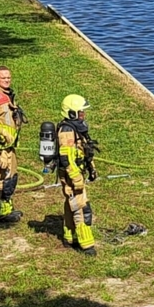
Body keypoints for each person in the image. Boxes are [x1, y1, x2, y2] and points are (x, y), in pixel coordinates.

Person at [0, 66, 26, 223]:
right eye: (3, 78)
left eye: (9, 77)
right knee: (0, 180)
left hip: (9, 146)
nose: (7, 80)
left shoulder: (8, 95)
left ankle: (7, 209)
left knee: (10, 178)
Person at [57, 94, 97, 256]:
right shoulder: (66, 131)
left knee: (71, 205)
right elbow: (66, 158)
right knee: (81, 208)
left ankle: (70, 236)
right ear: (72, 113)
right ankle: (86, 244)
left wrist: (91, 168)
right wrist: (76, 178)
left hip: (78, 171)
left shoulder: (77, 129)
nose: (83, 115)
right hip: (71, 175)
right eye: (80, 112)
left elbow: (85, 151)